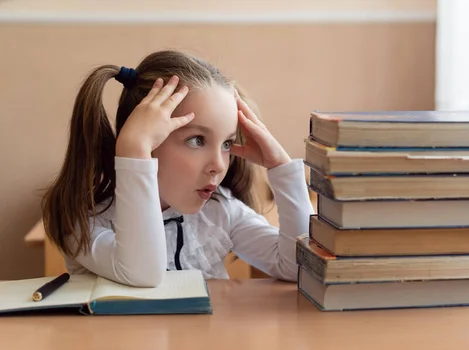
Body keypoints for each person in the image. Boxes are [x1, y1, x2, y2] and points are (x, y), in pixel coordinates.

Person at [41, 50, 313, 287]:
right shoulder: (85, 222)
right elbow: (142, 274)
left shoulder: (220, 212)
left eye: (227, 143)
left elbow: (299, 267)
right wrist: (135, 152)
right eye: (197, 140)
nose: (219, 165)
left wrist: (280, 166)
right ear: (145, 139)